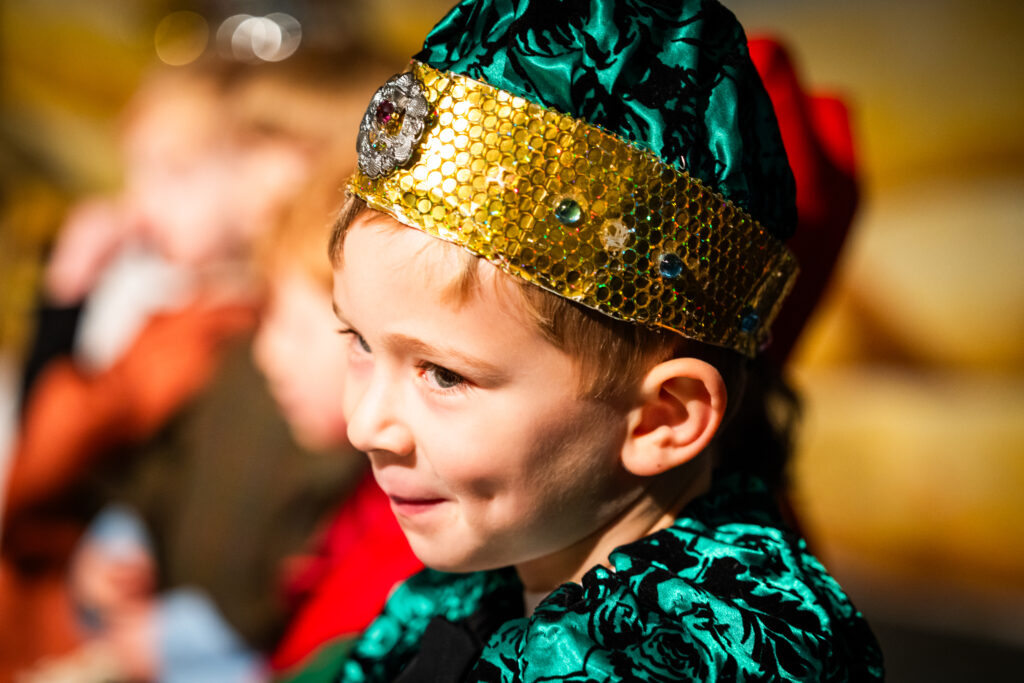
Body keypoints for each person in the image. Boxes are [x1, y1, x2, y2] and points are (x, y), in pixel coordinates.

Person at [307, 0, 884, 680]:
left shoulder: (701, 660)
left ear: (663, 417)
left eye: (443, 374)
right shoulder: (476, 582)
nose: (364, 424)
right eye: (360, 342)